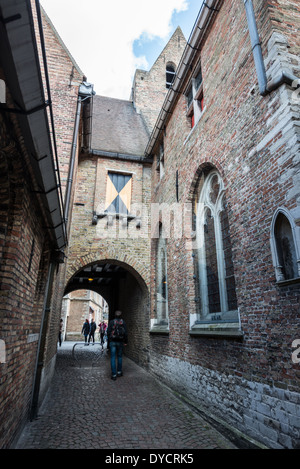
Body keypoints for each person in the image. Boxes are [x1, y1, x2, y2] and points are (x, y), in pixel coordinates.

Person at [107, 310, 128, 380]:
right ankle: (119, 372)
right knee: (119, 357)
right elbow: (126, 333)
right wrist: (125, 341)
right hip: (120, 341)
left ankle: (114, 374)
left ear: (115, 316)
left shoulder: (111, 322)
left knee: (113, 357)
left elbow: (108, 332)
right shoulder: (123, 322)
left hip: (113, 341)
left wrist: (109, 340)